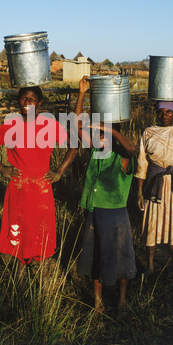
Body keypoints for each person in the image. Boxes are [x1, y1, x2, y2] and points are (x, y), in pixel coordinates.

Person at [0, 86, 77, 268]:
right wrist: (2, 168)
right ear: (19, 101)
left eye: (32, 99)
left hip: (41, 187)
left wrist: (59, 171)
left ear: (39, 103)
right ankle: (20, 268)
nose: (27, 103)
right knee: (19, 226)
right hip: (18, 187)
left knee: (41, 227)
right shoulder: (11, 126)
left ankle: (41, 269)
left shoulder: (49, 125)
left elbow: (73, 146)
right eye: (24, 98)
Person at [75, 76, 137, 316]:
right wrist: (82, 93)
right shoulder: (96, 151)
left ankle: (122, 301)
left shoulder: (122, 157)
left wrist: (107, 128)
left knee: (121, 256)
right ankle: (98, 302)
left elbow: (131, 148)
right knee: (96, 255)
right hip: (93, 209)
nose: (103, 138)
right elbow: (78, 127)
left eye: (109, 134)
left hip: (114, 213)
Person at [135, 55, 173, 275]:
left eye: (169, 111)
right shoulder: (149, 133)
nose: (164, 115)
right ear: (157, 114)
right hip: (154, 183)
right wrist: (140, 192)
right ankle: (150, 266)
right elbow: (142, 164)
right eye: (161, 112)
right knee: (152, 223)